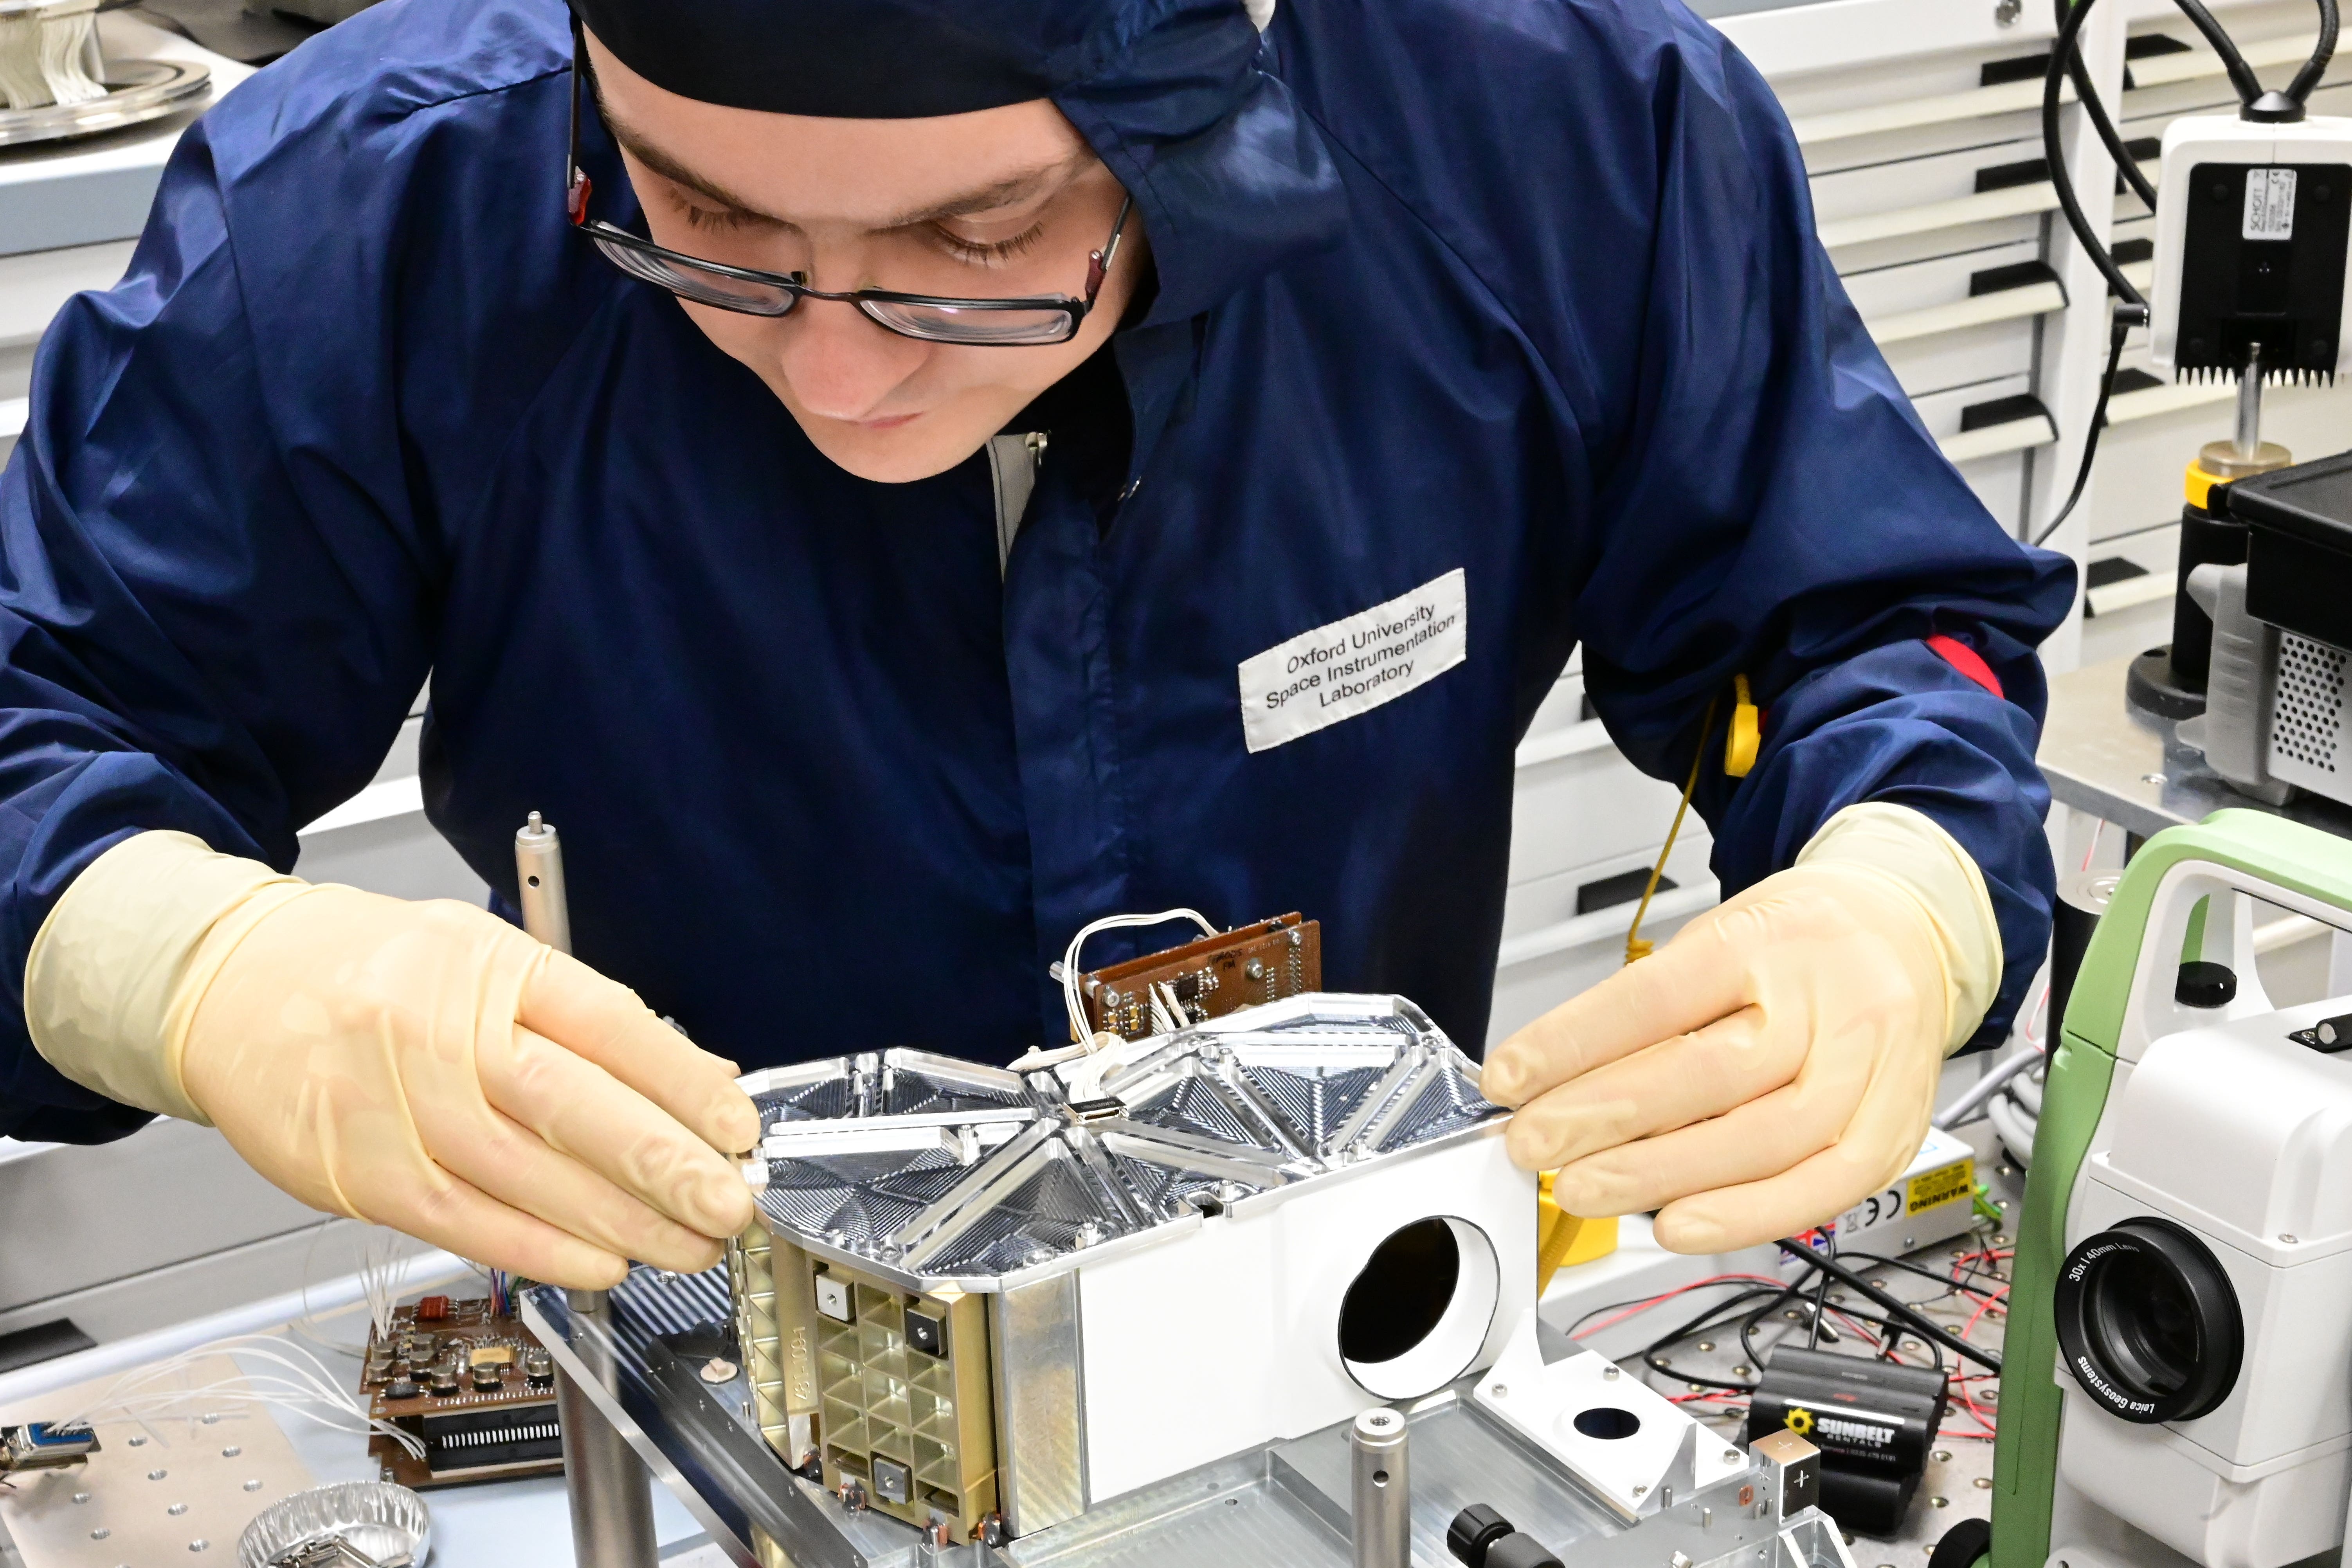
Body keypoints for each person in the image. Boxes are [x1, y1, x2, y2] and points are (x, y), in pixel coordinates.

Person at [0, 0, 2072, 1290]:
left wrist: (1897, 900)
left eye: (974, 247)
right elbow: (39, 719)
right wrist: (177, 963)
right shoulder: (385, 208)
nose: (831, 370)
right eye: (698, 219)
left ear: (1226, 104)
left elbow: (1876, 617)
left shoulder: (1563, 143)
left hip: (1325, 1336)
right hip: (719, 1350)